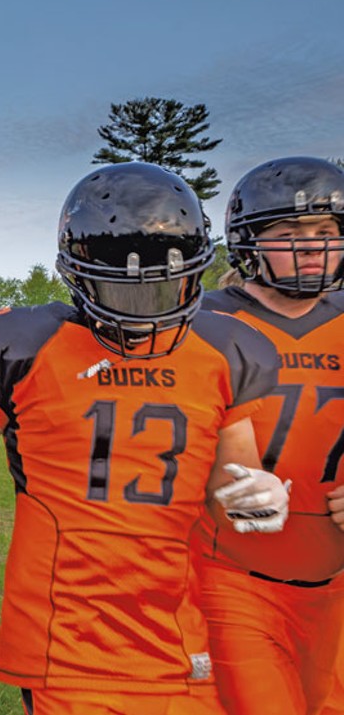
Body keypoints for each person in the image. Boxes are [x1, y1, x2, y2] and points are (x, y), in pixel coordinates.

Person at [0, 162, 291, 714]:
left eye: (161, 285)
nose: (144, 308)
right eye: (123, 288)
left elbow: (232, 500)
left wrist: (259, 498)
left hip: (184, 633)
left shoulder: (224, 352)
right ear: (79, 278)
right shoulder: (27, 348)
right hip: (66, 639)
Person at [188, 156, 344, 715]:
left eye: (326, 231)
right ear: (249, 241)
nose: (312, 246)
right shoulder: (201, 323)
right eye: (290, 232)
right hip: (232, 571)